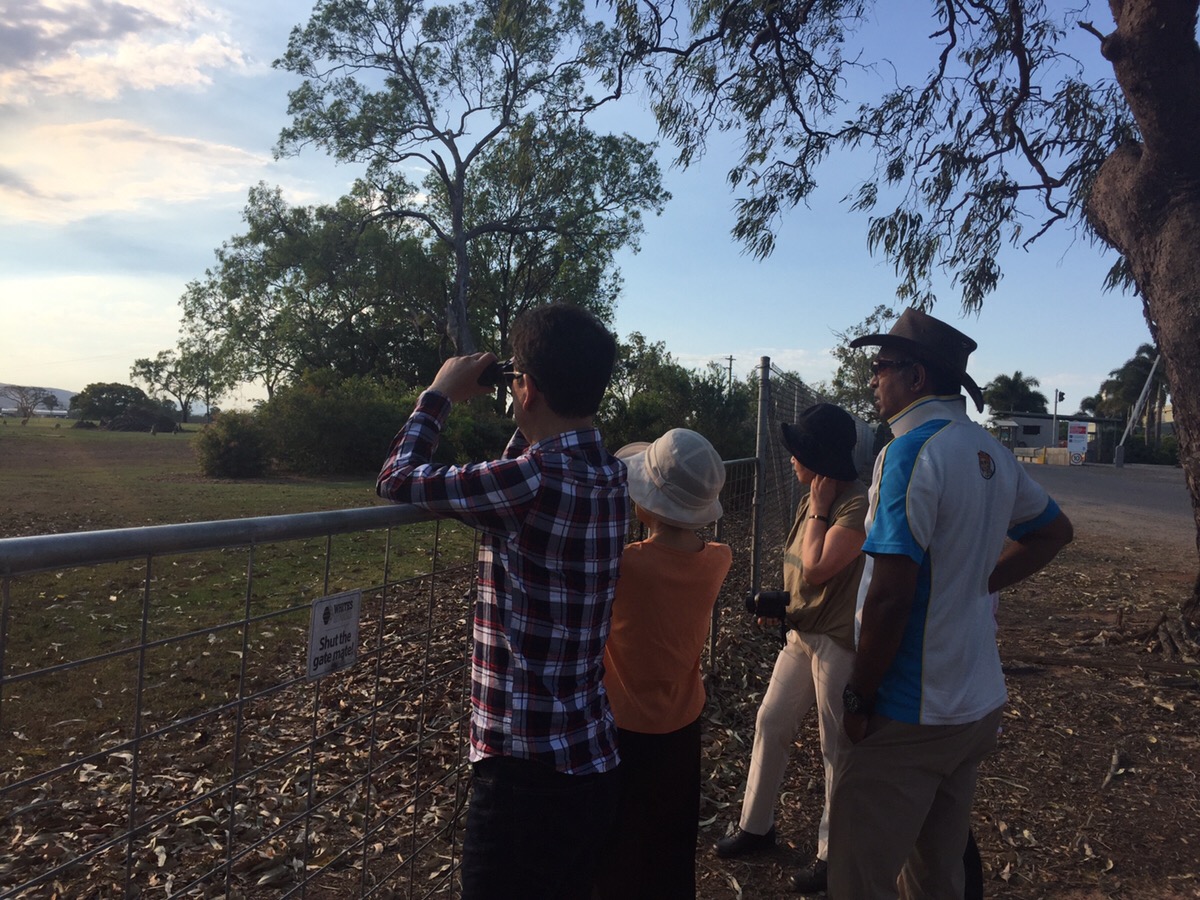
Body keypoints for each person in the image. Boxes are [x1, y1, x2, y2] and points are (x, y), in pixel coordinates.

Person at [375, 303, 627, 900]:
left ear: (527, 389)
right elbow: (531, 456)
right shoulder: (612, 476)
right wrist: (522, 393)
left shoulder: (529, 483)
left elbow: (396, 476)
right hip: (590, 757)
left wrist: (436, 395)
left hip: (522, 774)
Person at [827, 307, 1074, 899]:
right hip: (974, 702)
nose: (872, 379)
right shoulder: (989, 451)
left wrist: (860, 695)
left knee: (859, 877)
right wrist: (977, 582)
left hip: (912, 710)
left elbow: (889, 598)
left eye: (881, 367)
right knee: (938, 872)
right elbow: (1052, 530)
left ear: (915, 378)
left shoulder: (909, 454)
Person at [714, 403, 868, 894]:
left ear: (817, 458)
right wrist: (782, 606)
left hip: (837, 642)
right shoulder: (813, 497)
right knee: (771, 721)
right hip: (802, 632)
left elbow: (820, 567)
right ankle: (756, 825)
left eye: (798, 452)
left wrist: (821, 510)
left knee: (835, 747)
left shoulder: (853, 506)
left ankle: (833, 855)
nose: (791, 461)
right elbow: (801, 569)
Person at [592, 428, 733, 900]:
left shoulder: (626, 564)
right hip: (683, 724)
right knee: (670, 844)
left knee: (619, 849)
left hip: (623, 729)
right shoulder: (719, 559)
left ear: (648, 503)